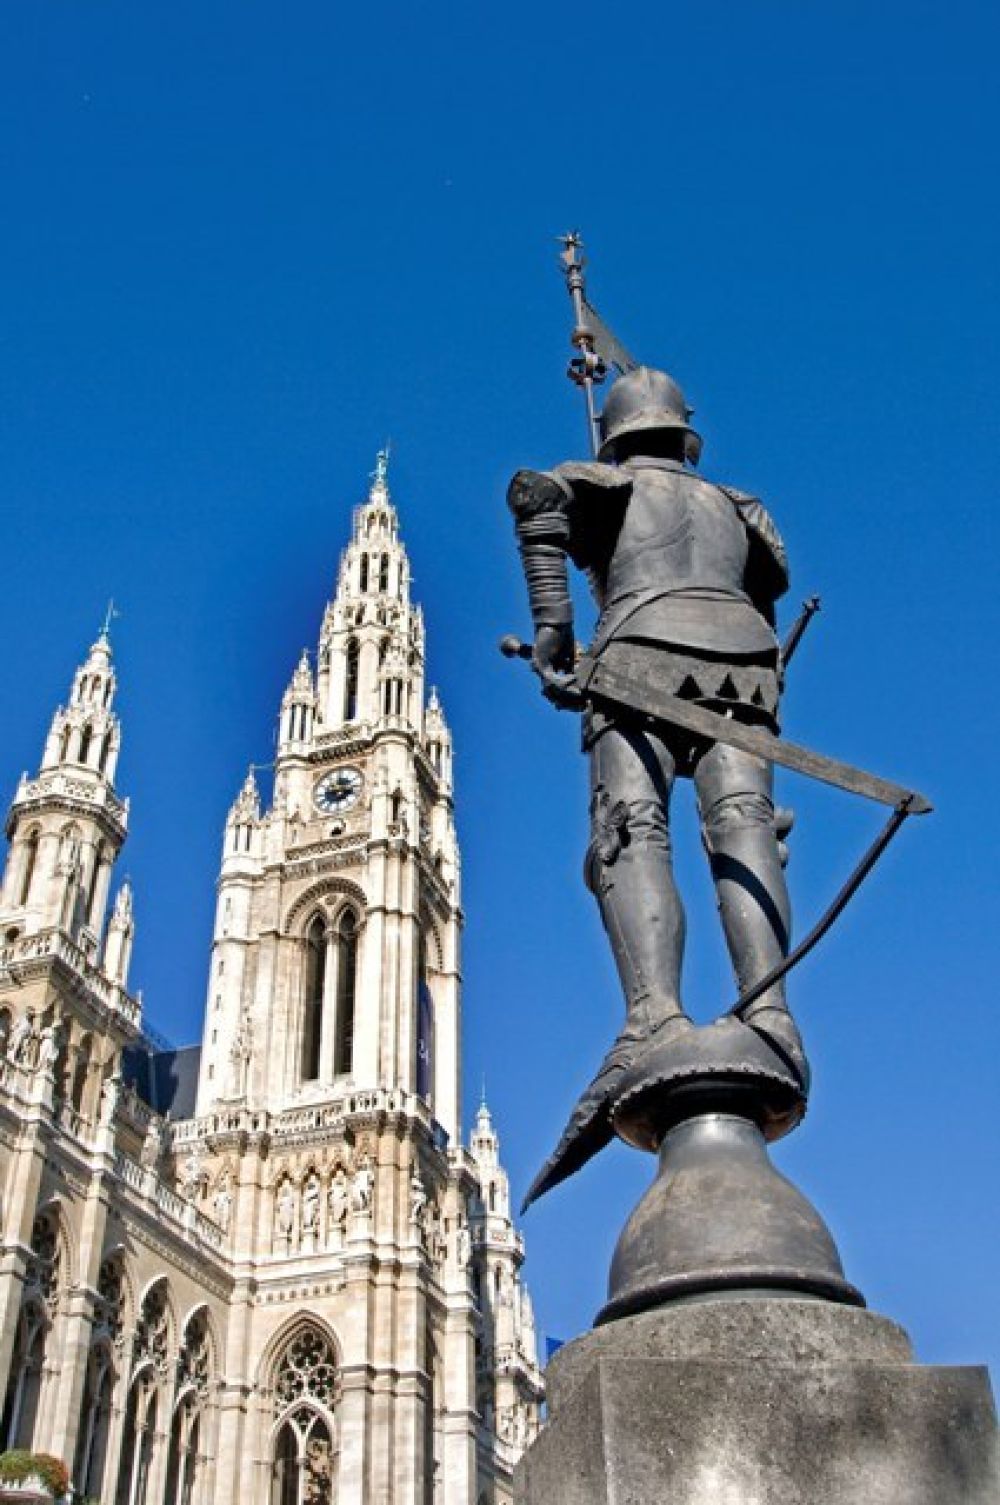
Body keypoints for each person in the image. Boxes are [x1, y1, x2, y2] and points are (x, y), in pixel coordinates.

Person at [508, 365, 805, 1189]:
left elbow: (535, 495)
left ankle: (652, 1012)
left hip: (636, 653)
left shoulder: (605, 480)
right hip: (745, 669)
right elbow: (768, 587)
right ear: (682, 433)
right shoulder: (737, 505)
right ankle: (771, 1008)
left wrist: (553, 632)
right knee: (746, 826)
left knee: (630, 832)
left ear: (619, 434)